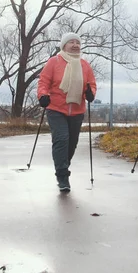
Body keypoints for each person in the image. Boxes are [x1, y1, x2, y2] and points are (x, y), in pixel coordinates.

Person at [37, 32, 96, 192]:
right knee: (62, 139)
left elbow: (91, 84)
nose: (75, 45)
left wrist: (90, 93)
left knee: (72, 143)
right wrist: (43, 95)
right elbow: (44, 81)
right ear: (64, 45)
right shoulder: (54, 62)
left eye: (78, 42)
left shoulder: (85, 65)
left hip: (77, 110)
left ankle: (62, 165)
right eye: (72, 42)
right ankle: (62, 175)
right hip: (56, 108)